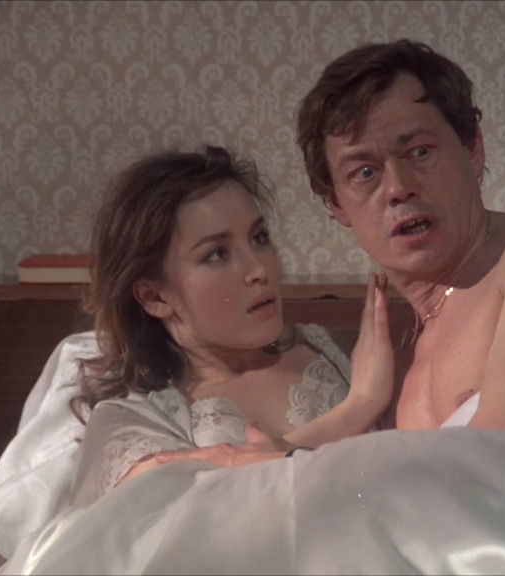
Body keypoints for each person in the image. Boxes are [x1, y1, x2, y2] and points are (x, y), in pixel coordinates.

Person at [155, 38, 505, 468]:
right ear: (336, 205)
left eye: (419, 152)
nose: (398, 188)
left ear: (472, 148)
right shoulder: (387, 352)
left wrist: (288, 459)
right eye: (364, 173)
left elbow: (503, 469)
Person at [67, 145, 394, 503]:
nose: (259, 269)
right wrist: (359, 407)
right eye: (217, 254)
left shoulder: (345, 351)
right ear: (154, 296)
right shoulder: (128, 425)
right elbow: (215, 513)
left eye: (259, 238)